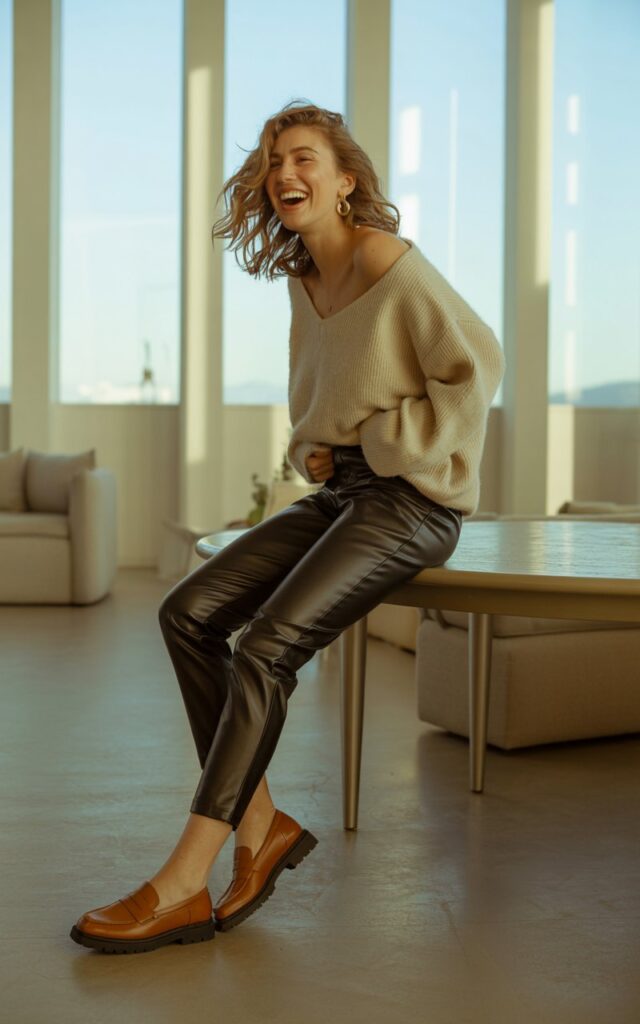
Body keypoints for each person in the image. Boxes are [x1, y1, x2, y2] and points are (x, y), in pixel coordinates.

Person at [70, 99, 506, 954]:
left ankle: (185, 879)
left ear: (346, 180)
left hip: (413, 501)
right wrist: (313, 449)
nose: (284, 174)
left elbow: (476, 362)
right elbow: (326, 392)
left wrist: (384, 442)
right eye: (273, 161)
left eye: (303, 157)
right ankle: (261, 823)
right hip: (343, 493)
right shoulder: (304, 278)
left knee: (266, 647)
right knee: (188, 614)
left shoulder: (386, 258)